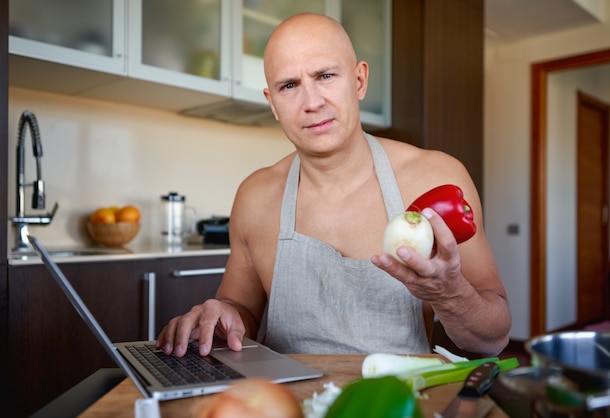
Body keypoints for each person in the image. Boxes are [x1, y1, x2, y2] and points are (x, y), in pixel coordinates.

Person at [156, 13, 511, 358]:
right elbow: (242, 312)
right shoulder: (255, 196)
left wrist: (450, 295)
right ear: (273, 104)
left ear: (359, 81)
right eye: (289, 86)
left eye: (325, 76)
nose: (312, 103)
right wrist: (223, 315)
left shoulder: (435, 177)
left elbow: (492, 338)